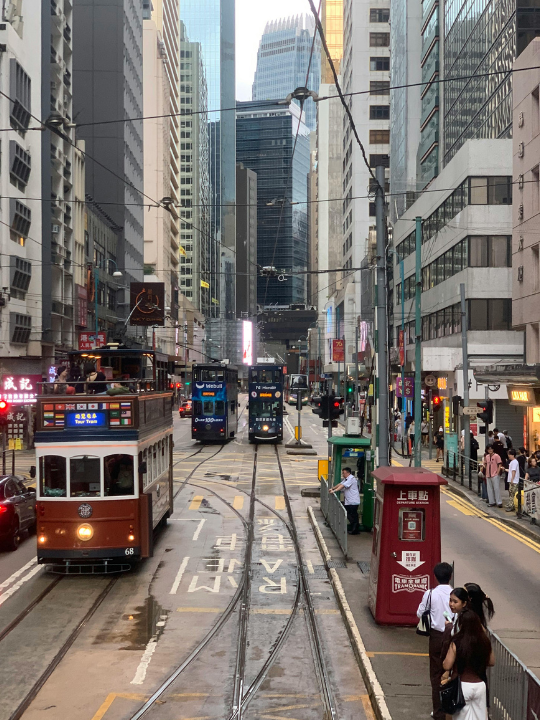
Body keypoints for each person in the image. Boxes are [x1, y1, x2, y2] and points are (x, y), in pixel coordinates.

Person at [416, 562, 454, 720]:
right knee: (452, 673)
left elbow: (420, 613)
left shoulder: (430, 594)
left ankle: (439, 712)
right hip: (453, 637)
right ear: (450, 576)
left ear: (435, 577)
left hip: (436, 637)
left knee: (436, 674)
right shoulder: (456, 594)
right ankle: (452, 710)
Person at [442, 609, 495, 720]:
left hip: (462, 686)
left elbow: (447, 665)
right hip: (480, 686)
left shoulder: (457, 641)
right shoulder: (484, 641)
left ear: (461, 624)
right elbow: (491, 662)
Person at [329, 467, 361, 535]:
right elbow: (340, 484)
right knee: (349, 513)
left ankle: (355, 529)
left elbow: (343, 486)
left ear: (348, 473)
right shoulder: (346, 479)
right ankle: (354, 527)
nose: (343, 475)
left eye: (344, 473)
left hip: (353, 501)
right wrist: (333, 488)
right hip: (349, 501)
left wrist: (334, 491)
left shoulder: (351, 479)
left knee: (352, 515)